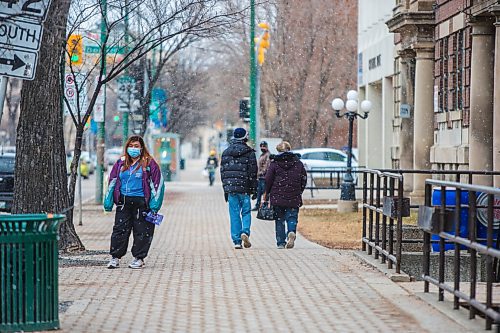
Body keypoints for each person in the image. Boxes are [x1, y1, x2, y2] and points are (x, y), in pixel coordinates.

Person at [104, 135, 165, 269]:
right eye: (131, 146)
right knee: (119, 230)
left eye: (136, 146)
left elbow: (158, 184)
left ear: (142, 148)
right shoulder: (121, 163)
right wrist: (108, 201)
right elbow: (112, 181)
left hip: (142, 203)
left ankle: (139, 258)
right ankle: (115, 257)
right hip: (124, 203)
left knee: (142, 231)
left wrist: (154, 205)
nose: (133, 149)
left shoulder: (149, 163)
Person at [263, 141, 307, 249]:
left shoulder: (274, 163)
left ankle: (281, 243)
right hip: (294, 195)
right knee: (292, 217)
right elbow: (304, 179)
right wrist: (299, 190)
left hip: (277, 196)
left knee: (279, 219)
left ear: (278, 151)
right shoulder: (298, 163)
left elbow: (268, 180)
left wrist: (266, 193)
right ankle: (291, 232)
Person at [220, 128, 258, 249]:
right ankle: (245, 232)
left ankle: (237, 241)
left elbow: (223, 173)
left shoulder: (226, 152)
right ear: (244, 137)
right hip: (244, 188)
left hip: (231, 189)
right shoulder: (250, 153)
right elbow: (253, 173)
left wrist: (226, 189)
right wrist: (254, 189)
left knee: (234, 214)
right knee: (246, 211)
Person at [252, 141, 271, 211]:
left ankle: (264, 206)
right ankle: (258, 205)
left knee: (264, 192)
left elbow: (267, 166)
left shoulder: (267, 155)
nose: (262, 147)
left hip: (264, 177)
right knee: (259, 192)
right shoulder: (262, 155)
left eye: (263, 146)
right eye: (261, 146)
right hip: (260, 177)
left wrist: (261, 172)